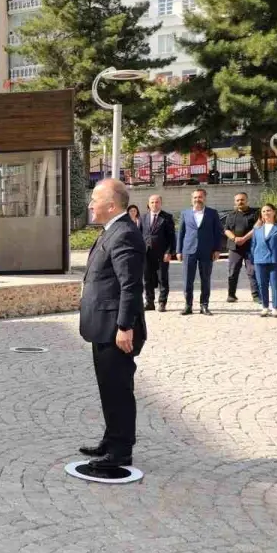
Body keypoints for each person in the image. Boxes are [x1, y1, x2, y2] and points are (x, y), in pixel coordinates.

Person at [78, 178, 147, 473]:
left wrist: (124, 327)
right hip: (103, 325)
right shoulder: (112, 230)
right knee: (110, 388)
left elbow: (130, 286)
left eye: (95, 198)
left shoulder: (124, 234)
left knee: (118, 389)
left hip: (115, 329)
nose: (90, 204)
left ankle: (120, 452)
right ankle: (112, 439)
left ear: (111, 204)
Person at [176, 188, 222, 315]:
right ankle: (188, 305)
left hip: (207, 251)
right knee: (187, 279)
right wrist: (178, 250)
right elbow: (181, 232)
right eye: (195, 197)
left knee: (205, 279)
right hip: (189, 250)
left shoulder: (212, 213)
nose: (198, 199)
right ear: (192, 199)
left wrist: (217, 249)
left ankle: (204, 305)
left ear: (205, 198)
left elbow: (217, 232)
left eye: (200, 197)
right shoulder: (185, 213)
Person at [251, 203, 277, 317]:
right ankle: (265, 307)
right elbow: (253, 245)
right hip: (260, 260)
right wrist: (253, 259)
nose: (266, 213)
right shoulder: (257, 229)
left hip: (276, 260)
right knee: (261, 284)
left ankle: (275, 307)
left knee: (275, 284)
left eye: (268, 210)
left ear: (274, 212)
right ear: (261, 214)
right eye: (264, 211)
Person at [221, 191, 260, 303]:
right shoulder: (231, 215)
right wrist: (234, 238)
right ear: (235, 202)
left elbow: (257, 227)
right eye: (238, 200)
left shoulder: (255, 213)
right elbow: (226, 229)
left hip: (250, 247)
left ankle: (256, 295)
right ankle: (231, 295)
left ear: (247, 200)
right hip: (234, 248)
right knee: (233, 272)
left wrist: (244, 239)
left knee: (252, 271)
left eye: (242, 199)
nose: (240, 202)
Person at [140, 194, 175, 312]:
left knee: (162, 279)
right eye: (152, 202)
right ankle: (149, 302)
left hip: (162, 254)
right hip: (146, 254)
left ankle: (162, 302)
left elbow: (171, 237)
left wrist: (169, 252)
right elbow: (139, 235)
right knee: (147, 279)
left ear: (161, 203)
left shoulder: (167, 217)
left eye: (157, 202)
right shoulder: (143, 217)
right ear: (148, 204)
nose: (155, 204)